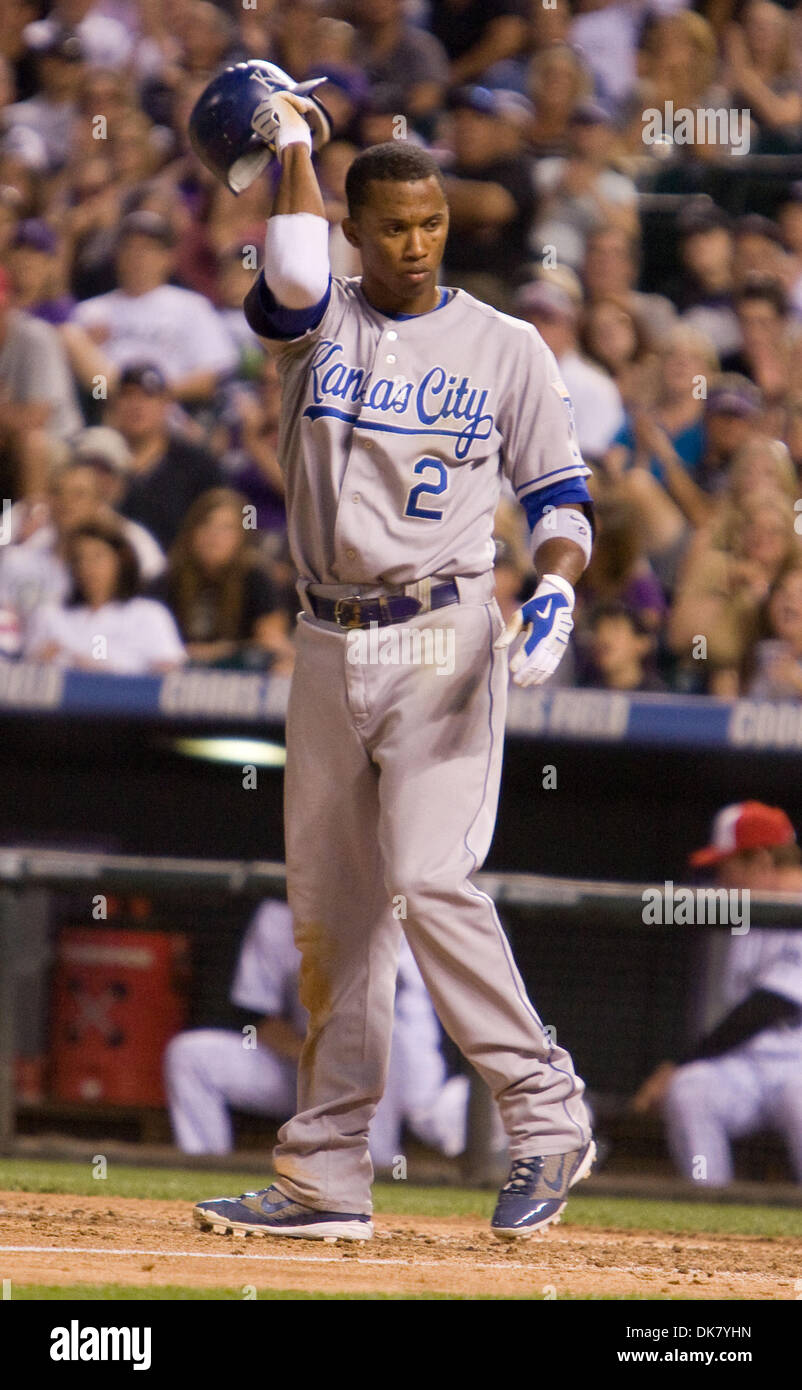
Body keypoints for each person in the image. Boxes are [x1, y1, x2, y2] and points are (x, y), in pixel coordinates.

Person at [192, 89, 595, 1244]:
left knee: (425, 875)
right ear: (355, 232)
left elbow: (559, 495)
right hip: (323, 640)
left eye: (431, 223)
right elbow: (292, 273)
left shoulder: (505, 344)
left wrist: (557, 577)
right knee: (335, 919)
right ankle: (325, 1175)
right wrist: (296, 149)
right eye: (395, 226)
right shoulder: (313, 319)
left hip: (442, 631)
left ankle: (545, 1110)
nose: (417, 241)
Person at [166, 899, 485, 1168]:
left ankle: (382, 1173)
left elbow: (377, 1008)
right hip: (307, 1069)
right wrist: (312, 1054)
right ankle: (205, 1172)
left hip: (405, 1078)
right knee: (190, 1056)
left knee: (372, 1047)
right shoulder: (278, 915)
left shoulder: (388, 908)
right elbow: (254, 1017)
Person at [633, 802, 802, 1186]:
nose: (720, 880)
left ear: (759, 861)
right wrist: (681, 1070)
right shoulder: (750, 907)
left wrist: (678, 1061)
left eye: (726, 867)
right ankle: (708, 1210)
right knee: (691, 1090)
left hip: (798, 1064)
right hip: (744, 1065)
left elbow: (768, 1006)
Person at [73, 210, 238, 405]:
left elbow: (210, 379)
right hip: (107, 408)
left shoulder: (192, 307)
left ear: (168, 257)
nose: (138, 257)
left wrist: (152, 395)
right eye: (130, 248)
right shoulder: (90, 311)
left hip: (173, 411)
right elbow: (91, 385)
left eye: (148, 249)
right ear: (116, 256)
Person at [151, 488, 294, 673]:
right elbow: (146, 637)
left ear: (241, 536)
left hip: (239, 671)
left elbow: (272, 641)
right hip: (175, 670)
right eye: (206, 525)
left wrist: (218, 652)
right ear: (191, 531)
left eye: (226, 528)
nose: (214, 536)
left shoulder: (256, 576)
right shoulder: (170, 577)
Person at [23, 516, 185, 673]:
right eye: (79, 559)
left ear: (121, 561)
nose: (87, 568)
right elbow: (26, 674)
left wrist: (102, 670)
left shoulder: (149, 615)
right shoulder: (50, 615)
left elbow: (169, 672)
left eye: (97, 557)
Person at [104, 362, 224, 552]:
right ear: (115, 404)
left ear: (166, 404)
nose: (136, 405)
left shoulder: (196, 465)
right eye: (127, 395)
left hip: (179, 571)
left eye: (147, 396)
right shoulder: (101, 462)